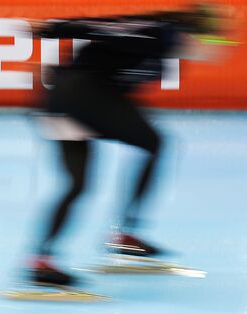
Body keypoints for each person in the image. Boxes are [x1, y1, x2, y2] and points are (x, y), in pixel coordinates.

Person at [26, 3, 229, 286]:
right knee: (154, 143)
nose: (212, 49)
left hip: (68, 101)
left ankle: (41, 261)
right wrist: (53, 29)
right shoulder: (158, 33)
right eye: (212, 40)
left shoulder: (161, 51)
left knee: (78, 184)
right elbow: (105, 27)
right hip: (77, 96)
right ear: (192, 32)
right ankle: (124, 236)